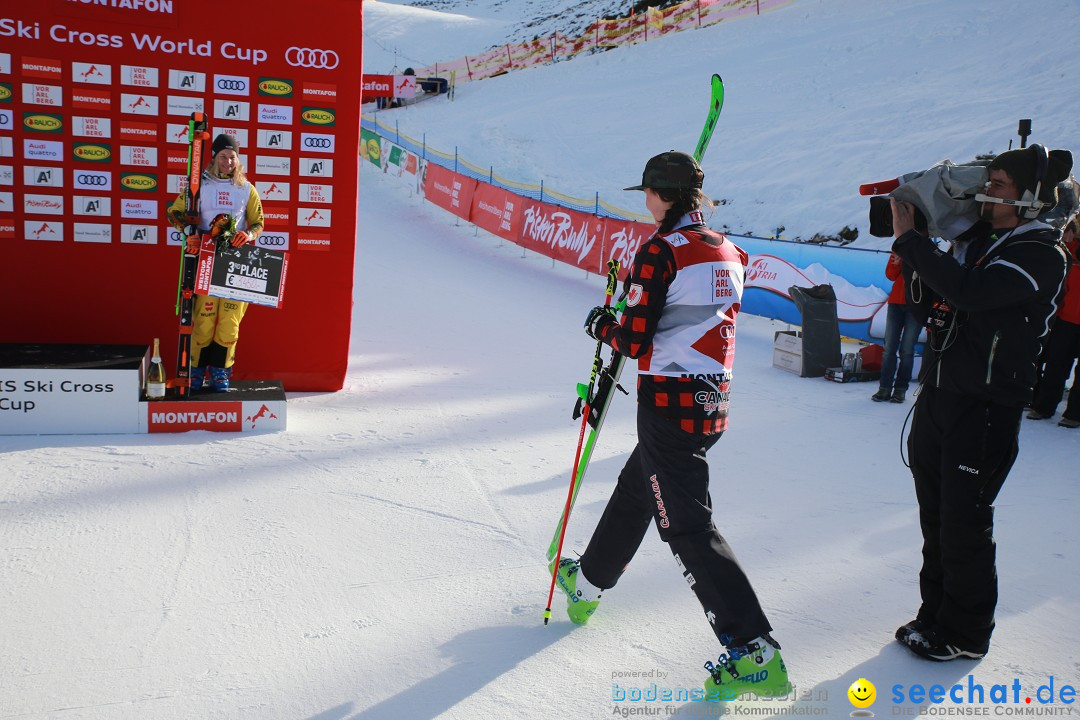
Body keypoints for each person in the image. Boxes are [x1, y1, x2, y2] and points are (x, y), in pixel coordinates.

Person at [552, 151, 789, 701]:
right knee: (638, 489)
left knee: (685, 526)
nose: (645, 202)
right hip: (712, 403)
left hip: (669, 403)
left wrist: (604, 325)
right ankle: (587, 581)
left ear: (660, 195)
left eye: (647, 193)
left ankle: (755, 651)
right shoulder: (730, 247)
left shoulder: (659, 250)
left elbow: (634, 340)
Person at [890, 144, 1073, 661]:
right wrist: (917, 249)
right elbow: (934, 302)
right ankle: (934, 615)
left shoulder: (1041, 252)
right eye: (987, 182)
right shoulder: (976, 243)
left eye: (998, 185)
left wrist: (913, 244)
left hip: (988, 405)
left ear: (1032, 198)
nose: (985, 193)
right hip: (942, 394)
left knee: (965, 522)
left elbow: (972, 293)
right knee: (935, 516)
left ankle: (965, 633)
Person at [167, 134, 264, 392]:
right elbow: (174, 212)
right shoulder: (199, 185)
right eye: (223, 156)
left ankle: (221, 372)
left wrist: (249, 234)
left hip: (235, 263)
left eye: (232, 157)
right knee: (205, 319)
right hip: (205, 261)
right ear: (213, 157)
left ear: (238, 159)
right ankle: (196, 371)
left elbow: (258, 223)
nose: (227, 161)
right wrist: (191, 233)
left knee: (229, 322)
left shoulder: (246, 188)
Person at [1027, 214, 1080, 427]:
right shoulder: (1070, 249)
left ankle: (1074, 414)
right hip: (1066, 319)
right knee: (1056, 365)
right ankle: (1043, 406)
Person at [872, 252, 920, 403]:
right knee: (889, 349)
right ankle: (884, 388)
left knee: (907, 350)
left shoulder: (928, 250)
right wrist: (897, 262)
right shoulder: (900, 248)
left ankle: (900, 390)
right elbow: (890, 275)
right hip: (896, 303)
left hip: (917, 305)